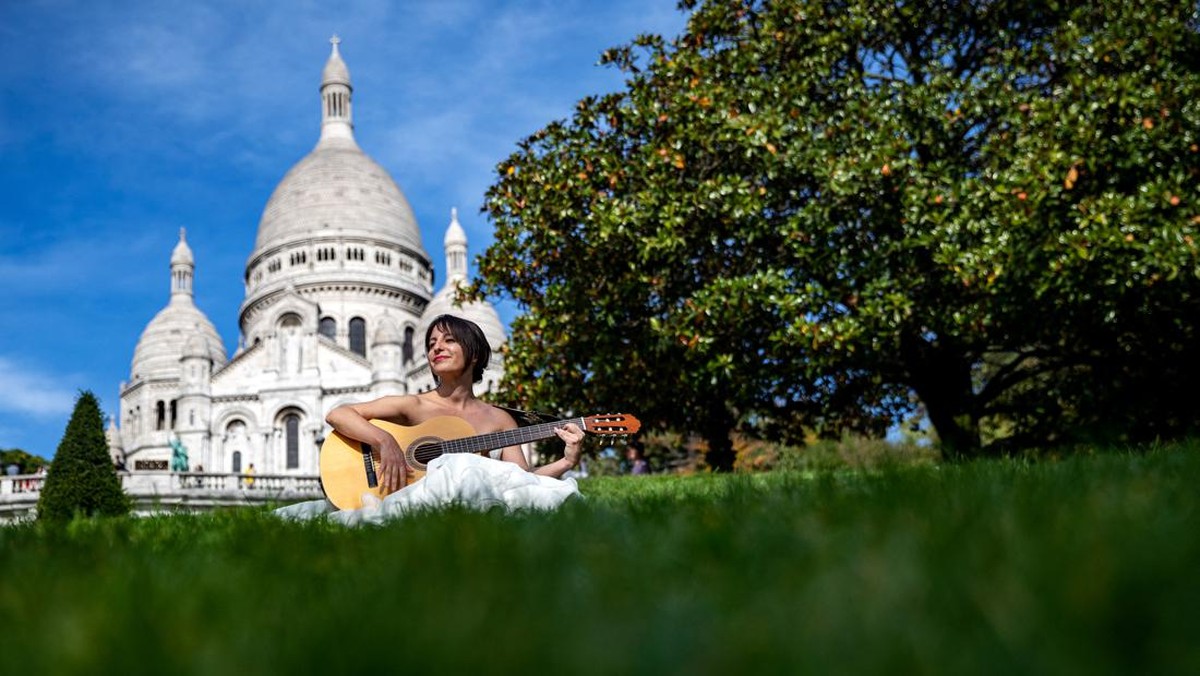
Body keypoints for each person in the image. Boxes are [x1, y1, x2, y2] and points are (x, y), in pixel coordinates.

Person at [325, 314, 584, 497]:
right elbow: (339, 414)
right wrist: (384, 441)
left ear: (474, 354)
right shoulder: (414, 404)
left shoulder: (499, 419)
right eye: (431, 344)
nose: (437, 348)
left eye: (449, 340)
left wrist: (566, 462)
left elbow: (521, 482)